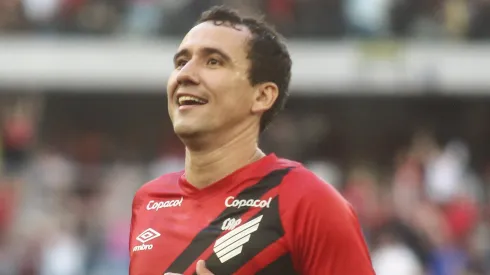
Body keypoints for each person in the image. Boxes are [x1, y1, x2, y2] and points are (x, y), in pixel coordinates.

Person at [129, 5, 375, 275]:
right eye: (181, 62)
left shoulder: (308, 201)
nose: (185, 74)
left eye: (213, 61)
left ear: (262, 96)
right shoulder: (149, 199)